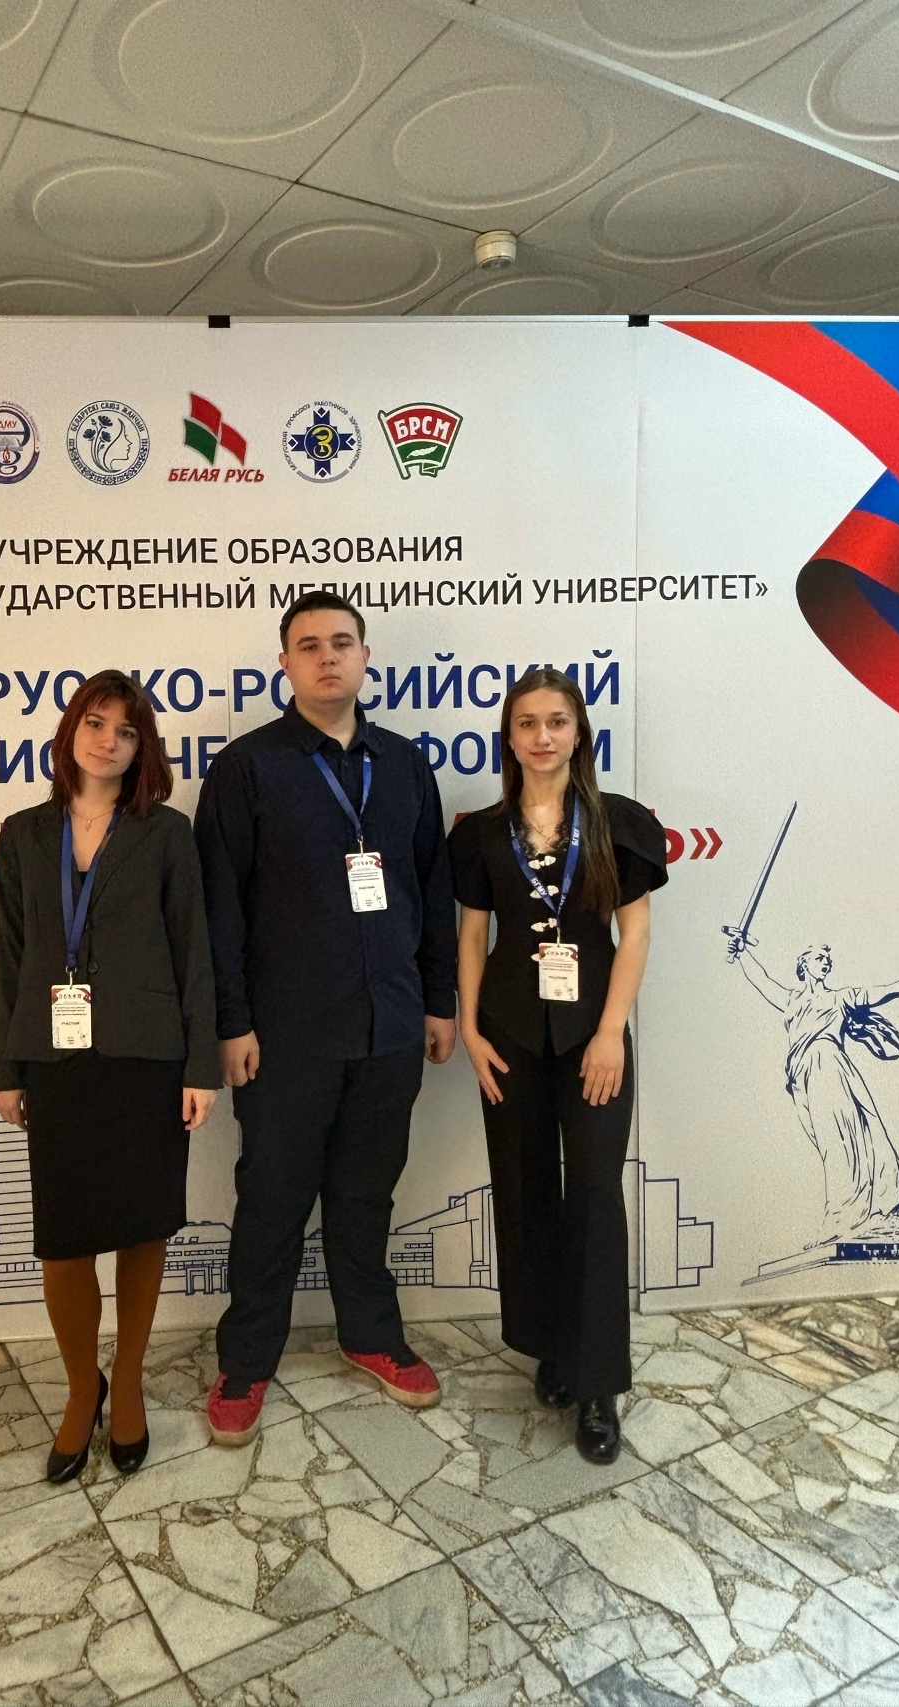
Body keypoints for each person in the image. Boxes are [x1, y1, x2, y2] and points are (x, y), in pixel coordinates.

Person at [194, 590, 457, 1445]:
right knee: (272, 1200)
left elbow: (432, 890)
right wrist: (232, 1022)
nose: (327, 656)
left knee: (366, 1194)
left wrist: (439, 1000)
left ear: (366, 656)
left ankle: (370, 1335)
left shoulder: (405, 765)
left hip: (390, 1026)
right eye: (308, 645)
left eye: (342, 642)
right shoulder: (246, 769)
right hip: (285, 1036)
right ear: (285, 664)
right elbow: (220, 910)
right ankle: (246, 1360)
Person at [0, 670, 219, 1481]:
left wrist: (201, 1066)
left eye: (126, 730)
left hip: (147, 1057)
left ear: (141, 747)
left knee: (141, 1228)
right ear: (71, 730)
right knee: (64, 1242)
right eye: (95, 722)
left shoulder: (166, 833)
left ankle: (128, 1385)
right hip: (55, 1063)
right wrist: (6, 1067)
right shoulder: (23, 833)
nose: (108, 740)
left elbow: (194, 951)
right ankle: (81, 1386)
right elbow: (10, 956)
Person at [448, 668, 666, 1464]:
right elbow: (473, 935)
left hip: (591, 1036)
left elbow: (634, 934)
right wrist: (470, 1027)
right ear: (509, 738)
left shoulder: (620, 823)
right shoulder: (481, 833)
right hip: (509, 1033)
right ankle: (551, 1345)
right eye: (527, 722)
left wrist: (610, 1032)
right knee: (526, 1186)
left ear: (579, 733)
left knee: (596, 1196)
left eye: (557, 721)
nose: (542, 735)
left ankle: (598, 1382)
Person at [723, 936, 899, 1246]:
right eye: (818, 958)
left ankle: (840, 1217)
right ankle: (852, 1213)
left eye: (827, 960)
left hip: (828, 1067)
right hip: (802, 1078)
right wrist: (742, 953)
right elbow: (762, 981)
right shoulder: (791, 1001)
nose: (825, 963)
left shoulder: (841, 998)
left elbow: (886, 990)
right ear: (803, 965)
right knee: (829, 1143)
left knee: (837, 1143)